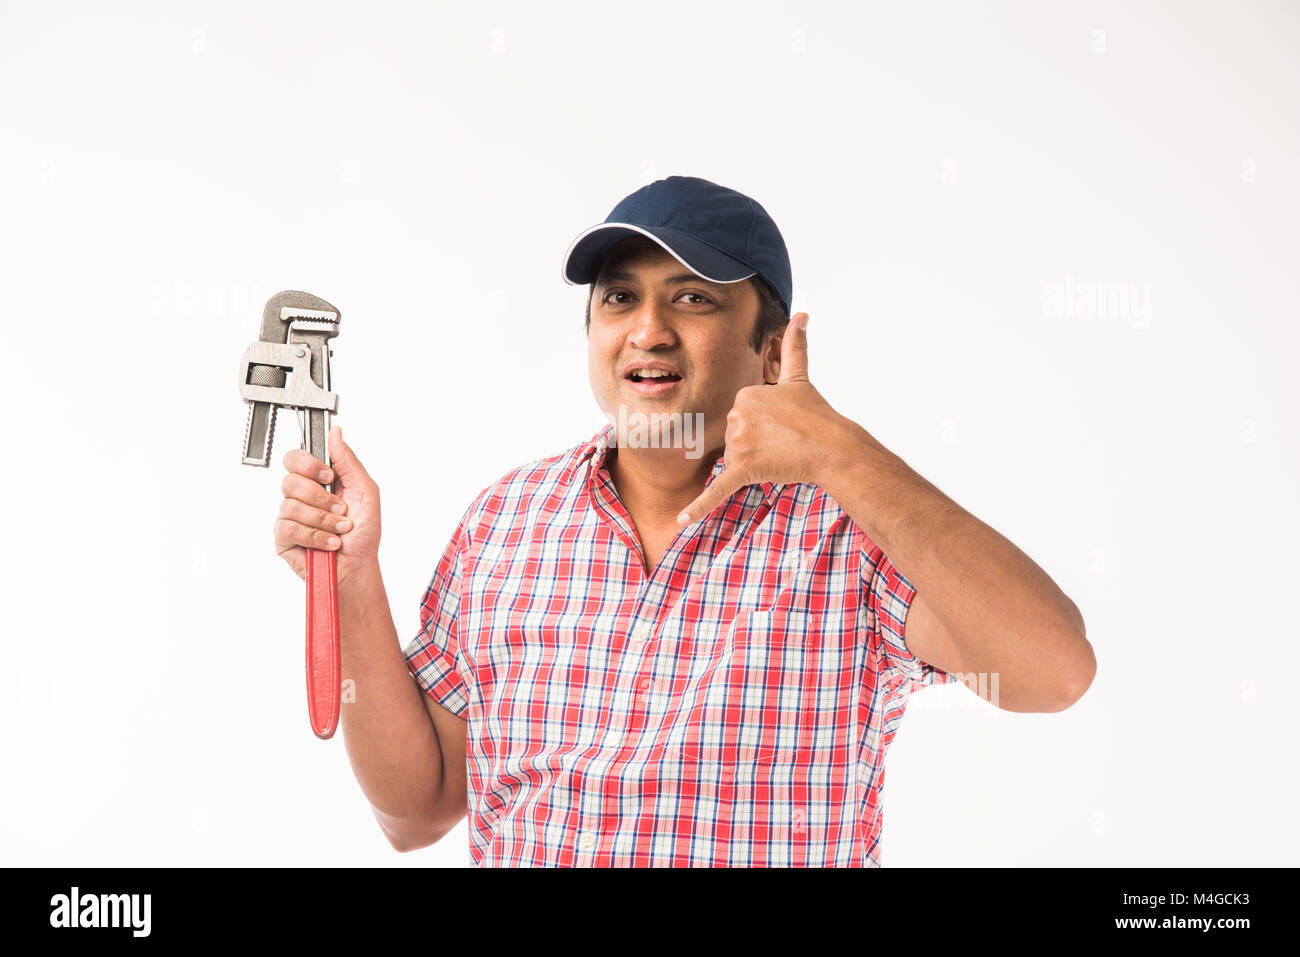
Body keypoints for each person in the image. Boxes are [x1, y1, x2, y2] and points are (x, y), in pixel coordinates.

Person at [273, 175, 1096, 866]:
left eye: (693, 297)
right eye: (620, 297)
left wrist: (841, 454)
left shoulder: (846, 532)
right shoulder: (505, 524)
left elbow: (1053, 669)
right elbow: (416, 811)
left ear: (771, 352)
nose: (647, 329)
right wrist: (350, 578)